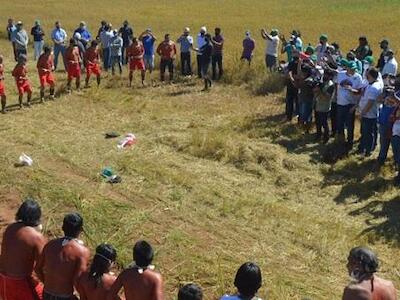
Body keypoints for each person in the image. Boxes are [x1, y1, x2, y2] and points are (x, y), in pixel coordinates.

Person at [36, 212, 90, 300]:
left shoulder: (50, 245)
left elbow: (37, 268)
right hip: (65, 297)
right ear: (80, 229)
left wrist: (47, 283)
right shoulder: (82, 252)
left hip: (46, 293)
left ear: (63, 227)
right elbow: (78, 281)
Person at [0, 199, 46, 300]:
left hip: (2, 281)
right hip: (20, 283)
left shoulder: (10, 228)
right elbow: (42, 267)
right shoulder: (36, 237)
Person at [336, 60, 363, 148]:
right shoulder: (340, 74)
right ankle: (340, 140)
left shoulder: (358, 77)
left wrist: (351, 90)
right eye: (351, 69)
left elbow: (360, 92)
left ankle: (349, 142)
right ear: (347, 68)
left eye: (354, 69)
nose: (353, 71)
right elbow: (336, 85)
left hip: (351, 104)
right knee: (339, 122)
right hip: (340, 103)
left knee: (350, 124)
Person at [357, 68, 383, 156]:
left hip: (369, 115)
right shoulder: (370, 84)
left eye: (367, 74)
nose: (366, 75)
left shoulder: (374, 88)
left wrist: (362, 113)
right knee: (365, 132)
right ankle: (364, 148)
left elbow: (370, 103)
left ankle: (367, 151)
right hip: (367, 113)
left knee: (368, 133)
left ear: (370, 75)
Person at [314, 70, 335, 143]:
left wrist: (320, 90)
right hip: (318, 105)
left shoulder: (331, 85)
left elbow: (327, 97)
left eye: (327, 75)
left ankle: (326, 137)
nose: (325, 76)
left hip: (325, 107)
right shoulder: (322, 83)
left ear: (330, 77)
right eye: (325, 74)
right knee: (318, 122)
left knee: (324, 123)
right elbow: (315, 92)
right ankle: (318, 135)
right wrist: (316, 88)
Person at [285, 51, 299, 121]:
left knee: (290, 100)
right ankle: (297, 114)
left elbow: (288, 72)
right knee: (297, 100)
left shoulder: (291, 63)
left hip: (291, 84)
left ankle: (289, 116)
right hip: (297, 84)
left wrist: (292, 79)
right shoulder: (300, 63)